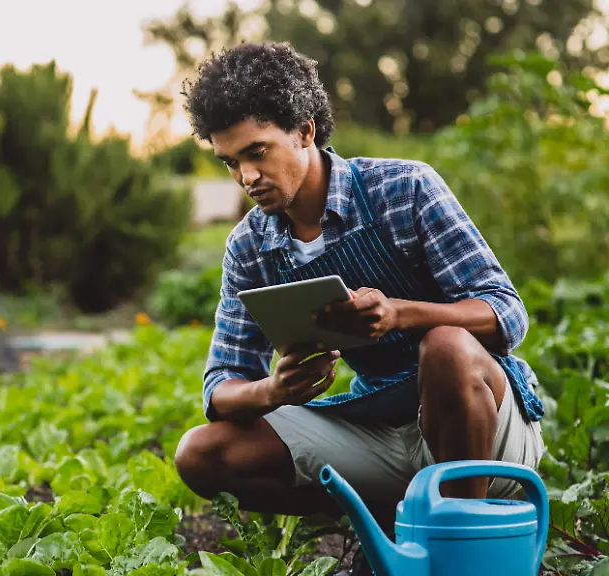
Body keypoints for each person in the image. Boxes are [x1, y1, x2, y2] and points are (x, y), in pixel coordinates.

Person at [171, 42, 545, 575]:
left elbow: (506, 313)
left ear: (305, 131)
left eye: (258, 152)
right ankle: (390, 520)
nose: (246, 176)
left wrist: (402, 314)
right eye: (231, 162)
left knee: (444, 349)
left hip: (487, 430)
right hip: (381, 431)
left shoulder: (403, 188)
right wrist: (270, 391)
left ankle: (456, 548)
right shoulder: (250, 245)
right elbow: (221, 385)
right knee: (201, 453)